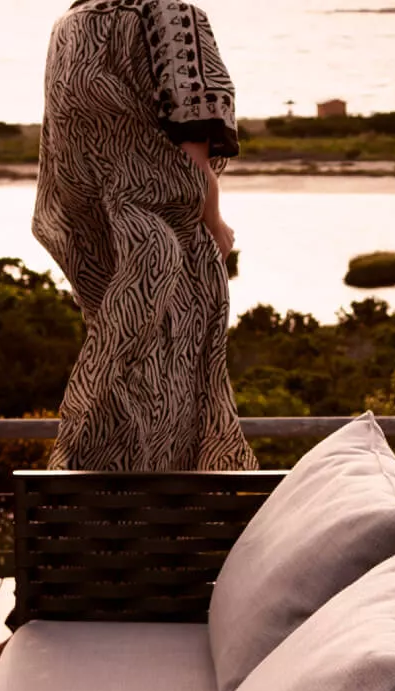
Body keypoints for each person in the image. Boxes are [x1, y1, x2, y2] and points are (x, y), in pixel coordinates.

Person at [34, 1, 256, 471]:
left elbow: (70, 155)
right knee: (179, 401)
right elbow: (191, 139)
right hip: (173, 247)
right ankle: (168, 533)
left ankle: (107, 525)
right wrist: (214, 222)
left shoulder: (70, 26)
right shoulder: (172, 16)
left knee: (122, 396)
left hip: (108, 254)